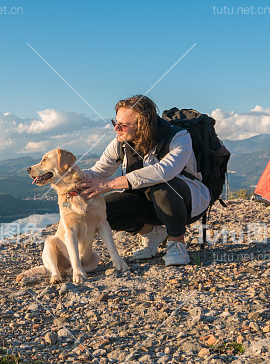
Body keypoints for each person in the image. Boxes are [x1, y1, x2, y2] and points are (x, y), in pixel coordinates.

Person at [77, 95, 211, 266]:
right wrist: (66, 173)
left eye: (123, 125)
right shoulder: (120, 143)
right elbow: (98, 173)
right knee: (103, 209)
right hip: (148, 203)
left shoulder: (179, 137)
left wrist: (110, 184)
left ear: (143, 125)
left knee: (162, 186)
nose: (116, 128)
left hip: (187, 202)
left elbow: (164, 171)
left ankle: (177, 243)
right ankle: (152, 234)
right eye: (115, 123)